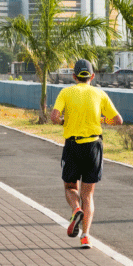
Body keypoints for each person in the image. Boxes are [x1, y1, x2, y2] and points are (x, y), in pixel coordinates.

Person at [50, 59, 123, 249]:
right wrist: (102, 120)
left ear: (74, 76)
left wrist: (63, 122)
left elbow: (54, 116)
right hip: (94, 146)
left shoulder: (66, 92)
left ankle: (76, 210)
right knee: (88, 194)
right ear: (92, 76)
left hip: (73, 146)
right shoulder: (100, 93)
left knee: (69, 186)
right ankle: (86, 237)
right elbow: (118, 120)